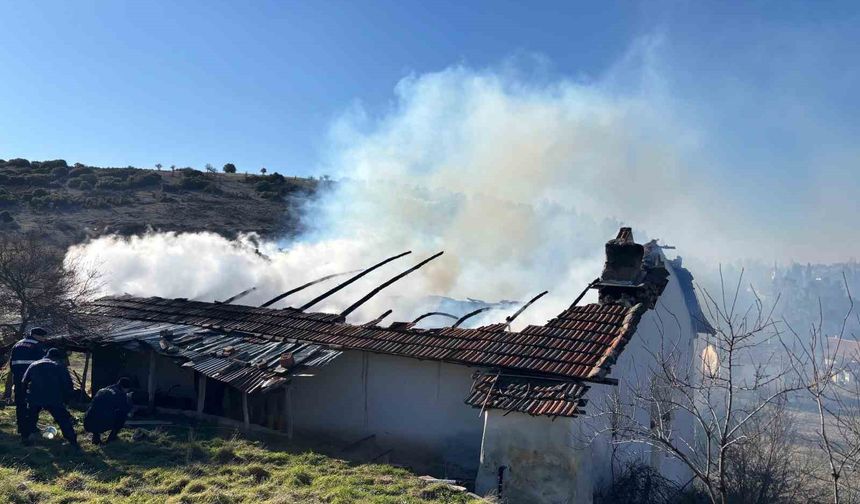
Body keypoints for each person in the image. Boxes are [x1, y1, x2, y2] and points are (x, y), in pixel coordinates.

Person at [21, 348, 78, 449]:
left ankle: (25, 438)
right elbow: (68, 384)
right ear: (58, 358)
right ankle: (72, 441)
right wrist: (67, 399)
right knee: (63, 419)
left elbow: (24, 381)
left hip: (35, 396)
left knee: (30, 417)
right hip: (54, 397)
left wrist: (26, 395)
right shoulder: (59, 366)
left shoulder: (34, 364)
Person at [9, 327, 47, 440]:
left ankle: (21, 427)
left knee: (20, 403)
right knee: (34, 403)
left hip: (18, 378)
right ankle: (31, 427)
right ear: (36, 335)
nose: (44, 339)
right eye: (43, 336)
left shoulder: (17, 344)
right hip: (32, 380)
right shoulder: (37, 345)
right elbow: (41, 364)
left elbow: (11, 362)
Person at [84, 377, 132, 445]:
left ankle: (96, 437)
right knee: (122, 415)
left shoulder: (104, 389)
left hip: (88, 421)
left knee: (100, 412)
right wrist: (129, 398)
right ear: (125, 388)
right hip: (101, 423)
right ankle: (111, 439)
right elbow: (126, 409)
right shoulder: (120, 394)